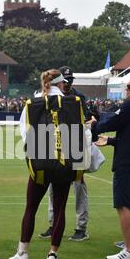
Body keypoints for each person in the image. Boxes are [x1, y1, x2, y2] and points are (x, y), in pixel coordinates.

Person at [8, 69, 81, 259]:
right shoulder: (72, 102)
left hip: (40, 162)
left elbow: (25, 134)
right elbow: (80, 134)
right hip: (66, 162)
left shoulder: (33, 103)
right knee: (59, 209)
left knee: (31, 207)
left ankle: (22, 254)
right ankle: (52, 256)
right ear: (62, 84)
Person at [87, 73, 130, 259]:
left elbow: (113, 123)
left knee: (123, 206)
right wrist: (111, 141)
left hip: (127, 164)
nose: (127, 89)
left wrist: (94, 125)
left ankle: (129, 250)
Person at [39, 66, 90, 241]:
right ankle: (53, 224)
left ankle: (81, 227)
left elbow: (84, 122)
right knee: (54, 189)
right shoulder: (51, 95)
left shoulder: (78, 98)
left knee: (79, 187)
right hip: (55, 149)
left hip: (74, 147)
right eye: (66, 80)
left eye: (70, 80)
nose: (68, 83)